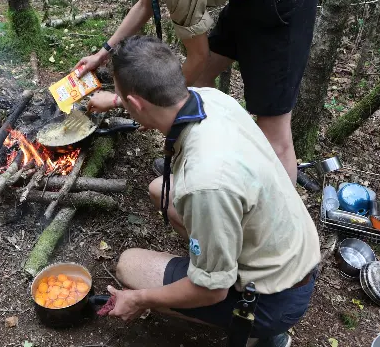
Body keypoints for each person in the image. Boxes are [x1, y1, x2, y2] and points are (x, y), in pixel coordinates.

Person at [70, 0, 319, 184]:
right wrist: (103, 53)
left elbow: (195, 59)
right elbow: (144, 5)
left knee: (274, 133)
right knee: (200, 82)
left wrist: (121, 101)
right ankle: (203, 162)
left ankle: (277, 224)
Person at [95, 36, 320, 347]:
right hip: (293, 249)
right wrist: (119, 98)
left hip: (275, 298)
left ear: (137, 104)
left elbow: (212, 291)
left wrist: (139, 299)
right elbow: (151, 102)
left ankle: (264, 334)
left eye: (123, 99)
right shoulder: (210, 99)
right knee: (159, 188)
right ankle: (214, 263)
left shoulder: (206, 183)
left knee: (129, 264)